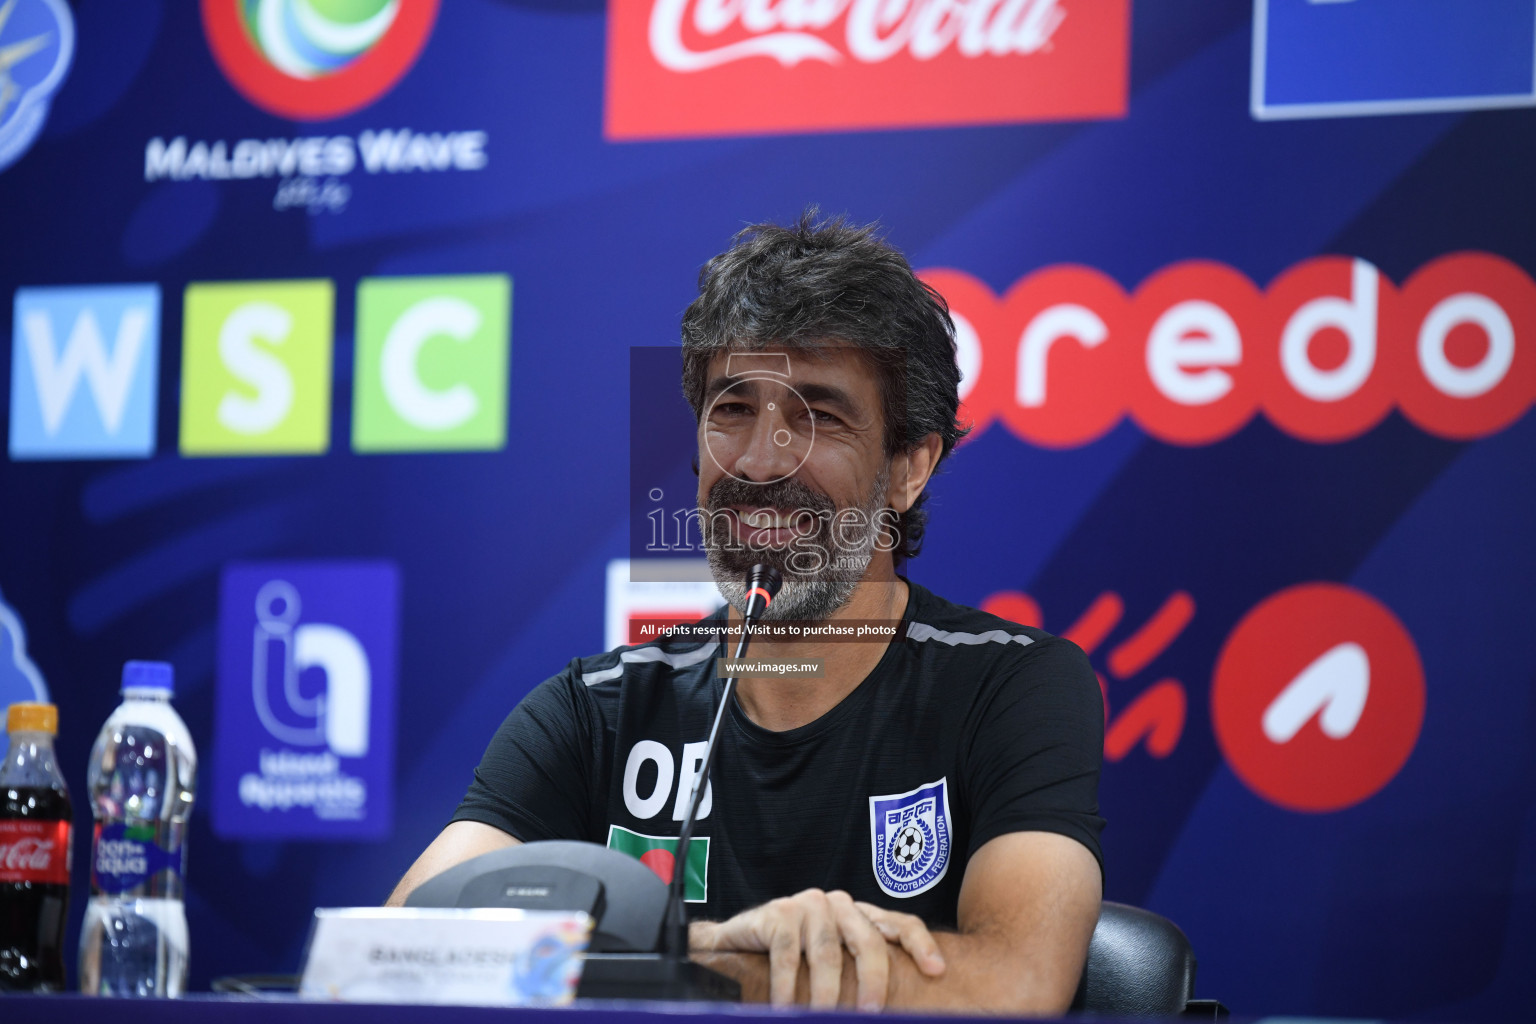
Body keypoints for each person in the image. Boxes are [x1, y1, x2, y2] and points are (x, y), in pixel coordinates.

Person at [387, 213, 1105, 1014]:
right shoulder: (594, 712)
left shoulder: (1009, 685)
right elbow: (393, 955)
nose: (761, 463)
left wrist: (700, 973)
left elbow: (1020, 982)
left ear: (909, 468)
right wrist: (709, 952)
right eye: (732, 411)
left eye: (821, 417)